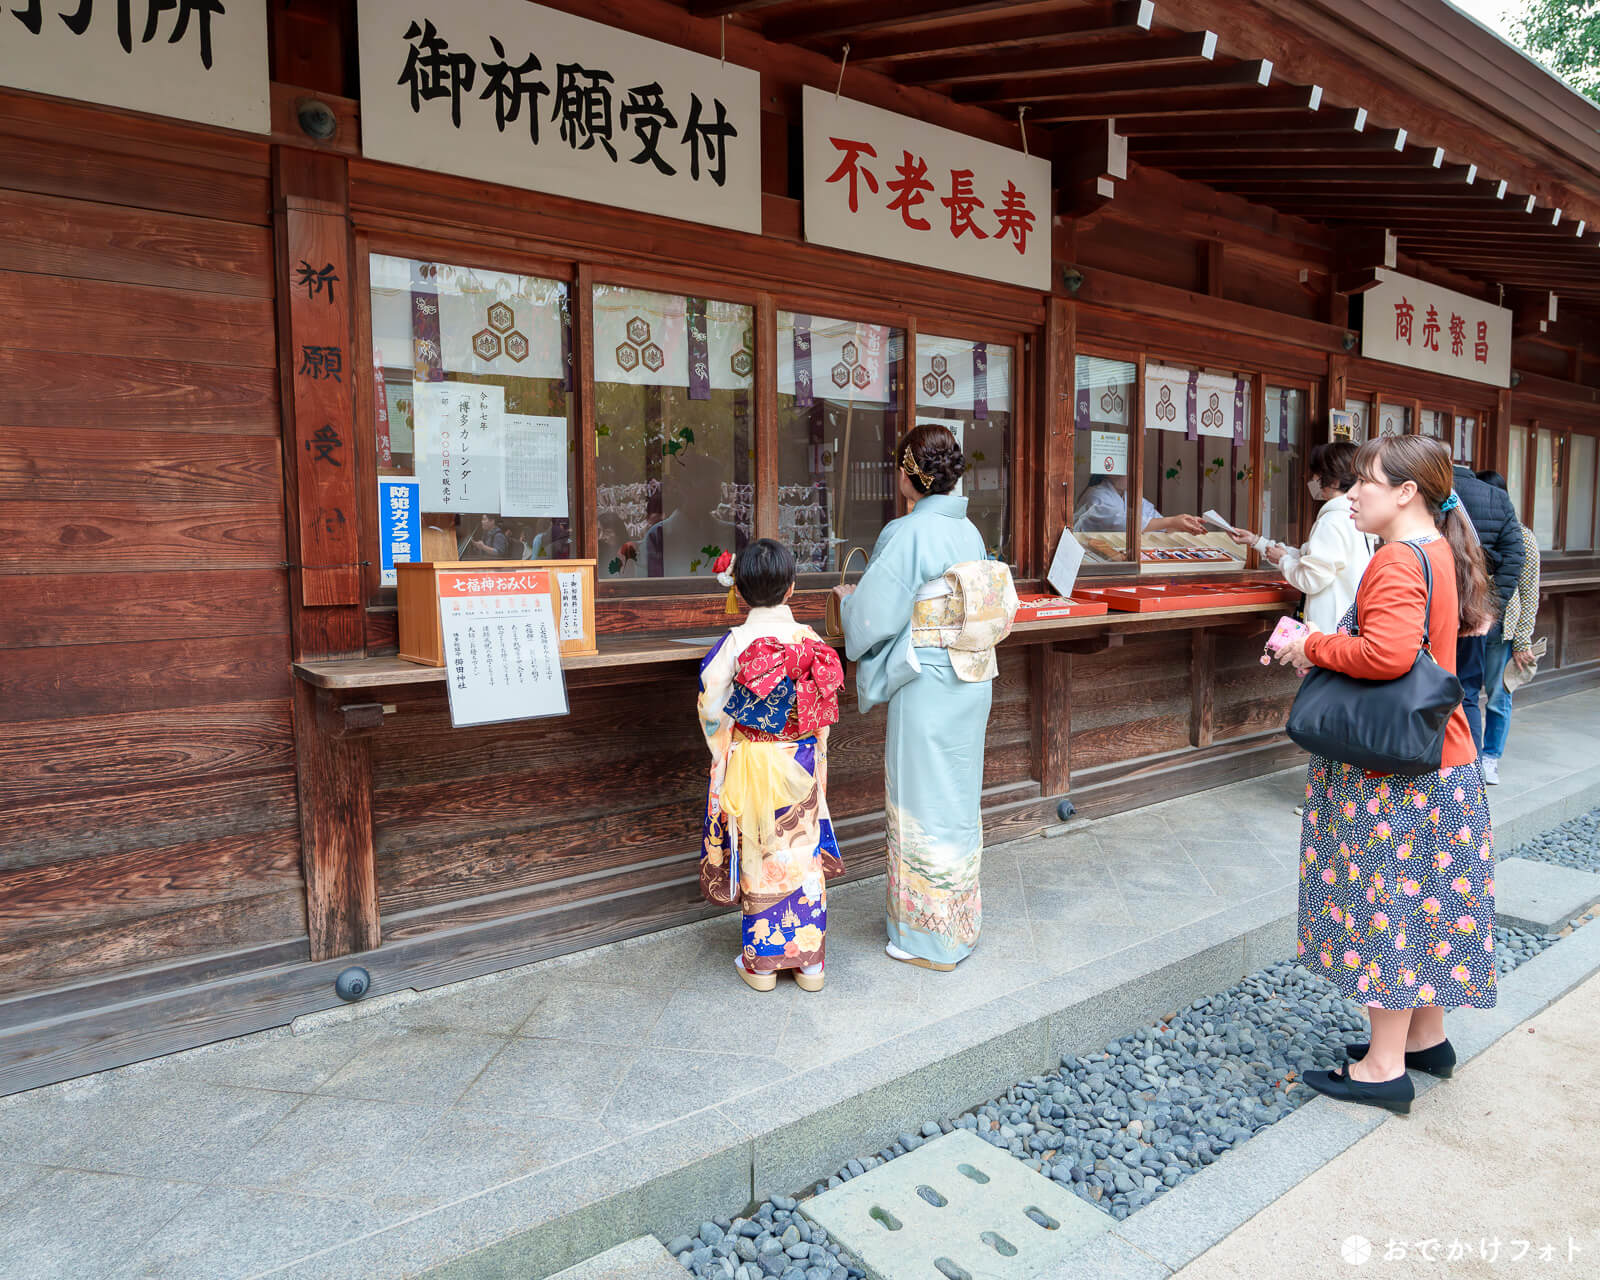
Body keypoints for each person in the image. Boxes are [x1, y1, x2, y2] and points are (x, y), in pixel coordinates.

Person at [1273, 435, 1497, 1115]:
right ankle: (1427, 1039)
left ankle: (1383, 1067)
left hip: (1399, 775)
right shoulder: (1437, 548)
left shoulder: (1398, 557)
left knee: (1386, 909)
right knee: (1423, 904)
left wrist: (1305, 643)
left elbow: (1386, 654)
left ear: (1405, 492)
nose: (1351, 494)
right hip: (1441, 758)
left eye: (1364, 482)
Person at [835, 424, 1019, 971]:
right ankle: (958, 925)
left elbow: (873, 616)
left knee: (920, 802)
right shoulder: (970, 534)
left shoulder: (907, 533)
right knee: (958, 799)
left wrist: (847, 604)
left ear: (908, 475)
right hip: (971, 678)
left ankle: (924, 937)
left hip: (929, 682)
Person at [697, 539, 845, 993]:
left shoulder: (737, 642)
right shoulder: (811, 639)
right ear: (792, 589)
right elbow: (824, 707)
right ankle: (810, 964)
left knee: (761, 854)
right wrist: (815, 750)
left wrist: (723, 749)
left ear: (739, 592)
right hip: (799, 759)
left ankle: (761, 965)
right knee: (803, 854)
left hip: (752, 762)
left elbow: (711, 702)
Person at [1229, 441, 1376, 634]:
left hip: (1328, 630)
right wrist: (1257, 542)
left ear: (1333, 480)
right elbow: (1308, 556)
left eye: (1317, 473)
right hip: (1348, 627)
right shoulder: (1353, 517)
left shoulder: (1331, 521)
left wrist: (1283, 560)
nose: (1313, 479)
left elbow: (1310, 578)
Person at [1448, 460, 1524, 751]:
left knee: (1423, 687)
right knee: (1468, 692)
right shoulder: (1497, 497)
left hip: (1430, 607)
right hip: (1474, 609)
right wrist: (1491, 609)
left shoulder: (1430, 490)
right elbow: (1516, 555)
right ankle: (1471, 769)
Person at [1475, 471, 1541, 785]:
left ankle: (1490, 757)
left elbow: (1529, 591)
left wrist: (1523, 640)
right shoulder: (1466, 528)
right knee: (1464, 692)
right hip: (1467, 623)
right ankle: (1468, 757)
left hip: (1503, 627)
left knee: (1500, 695)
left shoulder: (1523, 536)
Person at [1073, 473, 1207, 534]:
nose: (1133, 475)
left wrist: (1184, 524)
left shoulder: (1130, 496)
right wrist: (1171, 522)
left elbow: (1157, 521)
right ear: (1110, 472)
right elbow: (1120, 523)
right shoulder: (1096, 494)